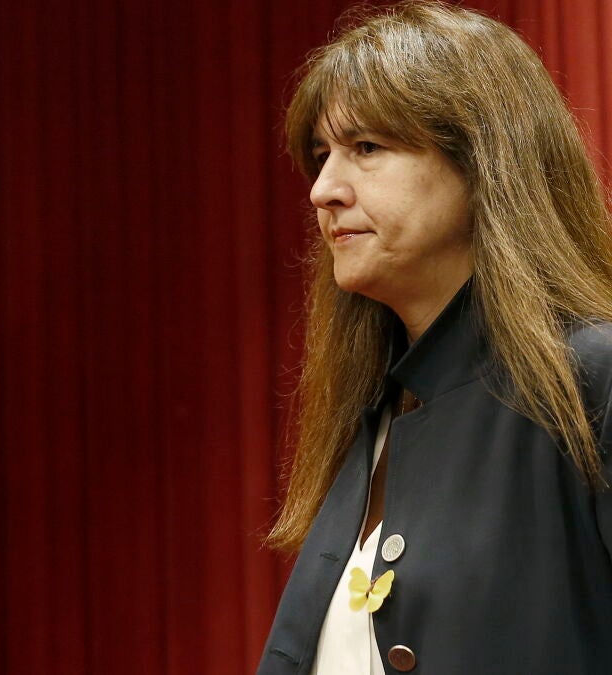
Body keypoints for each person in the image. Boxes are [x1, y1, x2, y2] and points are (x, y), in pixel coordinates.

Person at [257, 2, 612, 673]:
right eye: (321, 156)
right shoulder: (378, 413)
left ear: (484, 161)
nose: (322, 190)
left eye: (366, 148)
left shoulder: (595, 378)